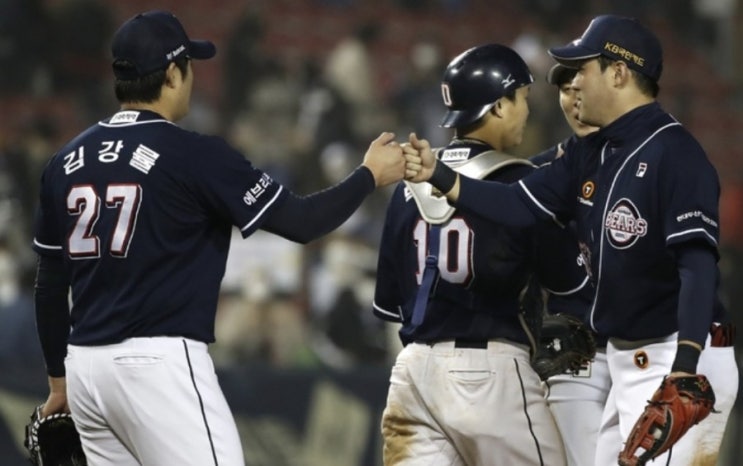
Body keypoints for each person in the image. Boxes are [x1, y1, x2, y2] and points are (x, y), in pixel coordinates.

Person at [31, 10, 406, 466]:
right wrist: (369, 175)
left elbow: (50, 282)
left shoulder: (65, 161)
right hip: (157, 365)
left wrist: (58, 381)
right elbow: (302, 222)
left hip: (85, 368)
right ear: (172, 74)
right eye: (188, 66)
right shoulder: (195, 154)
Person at [403, 15, 739, 465]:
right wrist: (438, 175)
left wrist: (685, 367)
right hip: (627, 358)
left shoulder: (676, 155)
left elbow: (697, 268)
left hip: (677, 357)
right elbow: (518, 203)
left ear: (619, 73)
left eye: (584, 69)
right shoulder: (590, 151)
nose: (573, 83)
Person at [373, 43, 591, 466]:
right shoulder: (519, 184)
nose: (527, 110)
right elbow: (570, 282)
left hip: (412, 375)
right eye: (522, 99)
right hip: (489, 374)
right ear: (498, 106)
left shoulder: (406, 188)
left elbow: (390, 302)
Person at [532, 64, 611, 466]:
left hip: (647, 350)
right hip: (578, 356)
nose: (574, 99)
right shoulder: (538, 176)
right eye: (565, 89)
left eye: (581, 87)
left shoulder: (657, 162)